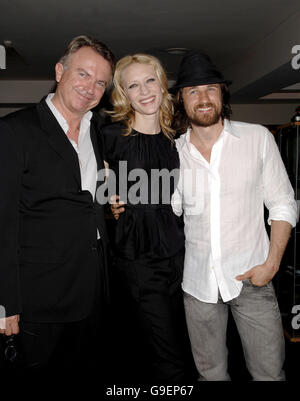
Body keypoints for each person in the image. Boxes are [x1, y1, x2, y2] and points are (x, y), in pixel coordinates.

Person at [170, 52, 298, 381]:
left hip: (253, 278)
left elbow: (283, 202)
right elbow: (166, 211)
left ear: (222, 93)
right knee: (211, 375)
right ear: (181, 100)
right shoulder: (173, 154)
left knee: (269, 374)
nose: (203, 98)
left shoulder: (257, 139)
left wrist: (271, 265)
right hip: (198, 286)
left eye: (210, 88)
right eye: (192, 91)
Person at [0, 35, 115, 369]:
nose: (90, 87)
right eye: (83, 74)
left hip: (93, 292)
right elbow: (3, 222)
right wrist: (5, 303)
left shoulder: (98, 131)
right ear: (59, 71)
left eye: (100, 82)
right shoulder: (14, 131)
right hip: (37, 299)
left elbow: (85, 200)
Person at [100, 54, 190, 382]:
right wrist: (106, 196)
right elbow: (91, 177)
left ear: (162, 83)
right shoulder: (110, 135)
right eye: (133, 85)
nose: (144, 90)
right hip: (137, 255)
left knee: (181, 342)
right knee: (167, 354)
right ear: (124, 93)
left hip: (180, 251)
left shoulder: (178, 137)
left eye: (150, 80)